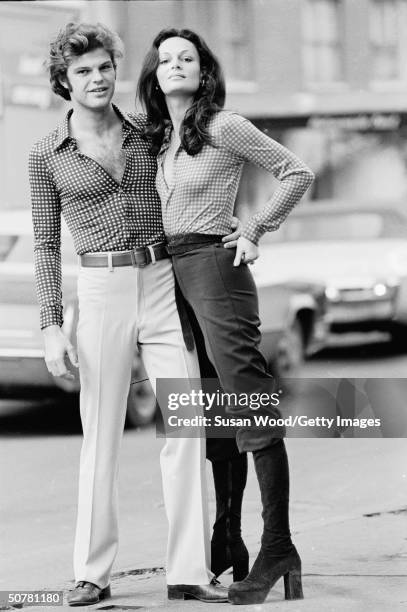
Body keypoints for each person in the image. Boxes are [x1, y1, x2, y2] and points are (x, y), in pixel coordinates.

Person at [29, 22, 235, 605]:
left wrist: (235, 223)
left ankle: (189, 572)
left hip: (163, 279)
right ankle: (92, 574)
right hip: (99, 289)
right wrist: (50, 325)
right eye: (83, 71)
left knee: (188, 424)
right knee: (101, 436)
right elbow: (46, 245)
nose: (97, 79)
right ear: (63, 82)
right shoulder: (46, 153)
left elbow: (202, 180)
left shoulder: (151, 132)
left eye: (104, 68)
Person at [137, 28, 315, 605]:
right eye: (165, 59)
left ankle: (278, 546)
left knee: (247, 402)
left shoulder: (223, 124)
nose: (176, 65)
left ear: (204, 69)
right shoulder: (162, 137)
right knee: (213, 409)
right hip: (174, 274)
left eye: (187, 57)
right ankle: (227, 536)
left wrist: (255, 227)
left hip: (216, 265)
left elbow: (297, 172)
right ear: (154, 74)